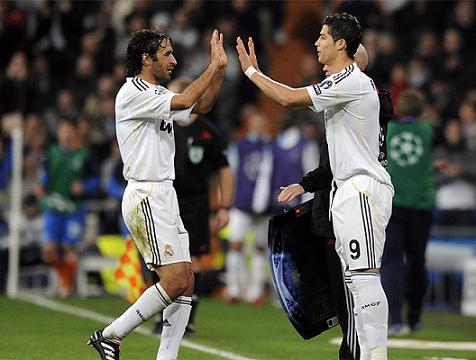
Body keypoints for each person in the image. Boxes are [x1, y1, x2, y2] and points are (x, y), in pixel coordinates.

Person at [236, 13, 393, 360]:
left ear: (341, 44)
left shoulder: (351, 81)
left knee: (364, 278)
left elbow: (288, 98)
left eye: (323, 36)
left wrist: (251, 72)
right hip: (345, 190)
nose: (316, 42)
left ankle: (377, 355)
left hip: (362, 190)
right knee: (354, 281)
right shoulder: (345, 83)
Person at [88, 28, 227, 360]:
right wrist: (210, 66)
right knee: (176, 279)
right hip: (146, 195)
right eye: (167, 54)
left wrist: (219, 70)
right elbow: (184, 100)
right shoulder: (133, 92)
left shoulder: (156, 93)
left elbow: (199, 107)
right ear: (146, 59)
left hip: (166, 195)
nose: (174, 60)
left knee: (186, 282)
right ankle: (111, 334)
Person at [153, 77, 234, 336]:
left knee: (194, 261)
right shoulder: (163, 126)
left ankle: (187, 320)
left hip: (197, 204)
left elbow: (224, 169)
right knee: (163, 259)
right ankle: (162, 316)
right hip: (166, 200)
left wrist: (224, 207)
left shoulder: (208, 132)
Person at [380, 89, 435, 336]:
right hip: (421, 207)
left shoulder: (388, 131)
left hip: (394, 205)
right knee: (417, 263)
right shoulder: (426, 131)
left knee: (391, 264)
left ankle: (393, 320)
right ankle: (414, 317)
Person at [36, 118, 98, 297]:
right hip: (53, 205)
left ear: (75, 132)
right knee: (48, 250)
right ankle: (65, 276)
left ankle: (67, 284)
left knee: (69, 248)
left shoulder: (85, 155)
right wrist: (41, 184)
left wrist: (84, 187)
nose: (65, 133)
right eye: (62, 130)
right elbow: (45, 173)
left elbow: (96, 181)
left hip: (74, 208)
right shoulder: (51, 152)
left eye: (68, 129)